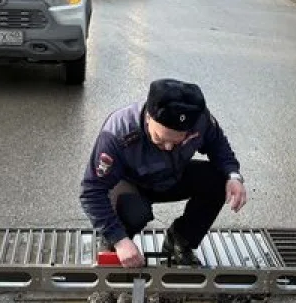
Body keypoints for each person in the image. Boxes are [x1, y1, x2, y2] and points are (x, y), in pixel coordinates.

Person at [80, 78, 247, 268]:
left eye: (176, 142)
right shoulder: (119, 132)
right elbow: (91, 191)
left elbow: (219, 146)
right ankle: (114, 247)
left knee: (218, 180)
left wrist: (233, 176)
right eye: (160, 139)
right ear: (149, 117)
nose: (168, 147)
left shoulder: (199, 120)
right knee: (134, 212)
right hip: (130, 184)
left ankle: (179, 241)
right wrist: (119, 240)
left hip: (171, 177)